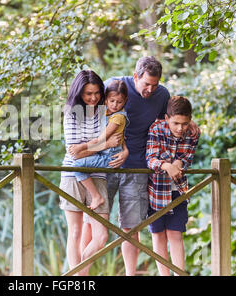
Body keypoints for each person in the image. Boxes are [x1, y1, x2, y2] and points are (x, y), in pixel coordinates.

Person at [77, 56, 199, 275]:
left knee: (131, 228)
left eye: (155, 83)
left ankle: (130, 274)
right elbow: (90, 112)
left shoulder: (162, 94)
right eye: (146, 84)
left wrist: (192, 124)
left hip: (137, 168)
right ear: (135, 76)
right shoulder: (115, 87)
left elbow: (171, 119)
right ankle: (79, 274)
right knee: (92, 223)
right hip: (104, 167)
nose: (151, 89)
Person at [60, 69, 124, 276]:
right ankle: (79, 279)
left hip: (98, 175)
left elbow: (117, 140)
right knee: (76, 232)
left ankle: (78, 275)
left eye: (97, 93)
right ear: (79, 93)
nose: (94, 97)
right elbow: (74, 153)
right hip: (73, 175)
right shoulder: (71, 113)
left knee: (101, 236)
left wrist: (121, 149)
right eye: (88, 94)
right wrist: (104, 144)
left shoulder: (105, 111)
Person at [146, 96, 200, 275]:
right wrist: (167, 165)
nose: (180, 128)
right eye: (176, 123)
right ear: (167, 118)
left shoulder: (193, 133)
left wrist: (180, 163)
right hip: (156, 191)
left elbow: (187, 158)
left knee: (176, 234)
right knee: (158, 235)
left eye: (185, 123)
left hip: (178, 190)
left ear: (190, 120)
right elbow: (151, 159)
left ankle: (179, 273)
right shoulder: (156, 129)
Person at [69, 80, 129, 211]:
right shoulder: (106, 112)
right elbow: (122, 138)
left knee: (77, 165)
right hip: (103, 153)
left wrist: (81, 147)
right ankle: (95, 196)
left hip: (109, 157)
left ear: (125, 101)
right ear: (106, 99)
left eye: (119, 102)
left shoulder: (118, 117)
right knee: (80, 165)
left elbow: (100, 140)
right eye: (112, 100)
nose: (115, 105)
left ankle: (96, 196)